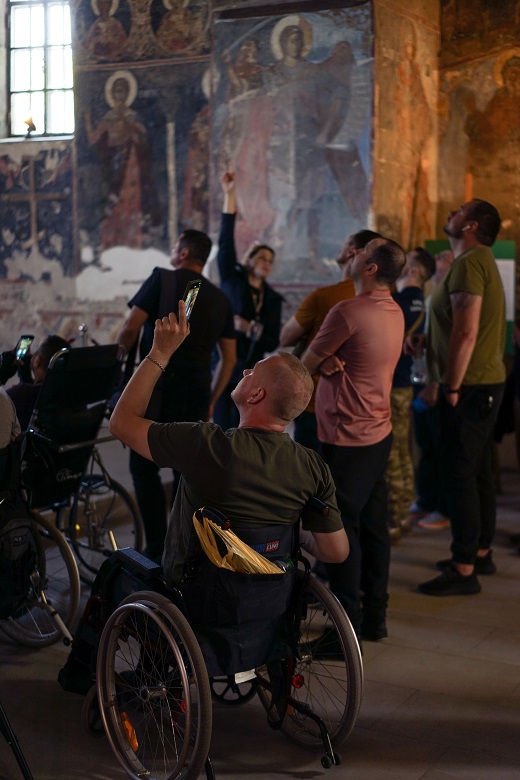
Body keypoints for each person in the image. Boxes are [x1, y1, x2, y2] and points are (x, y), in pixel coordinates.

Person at [110, 304, 349, 585]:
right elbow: (336, 551)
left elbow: (121, 423)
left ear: (256, 395)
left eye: (253, 372)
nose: (245, 370)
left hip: (193, 592)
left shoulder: (205, 444)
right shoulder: (312, 467)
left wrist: (159, 353)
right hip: (268, 596)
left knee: (113, 573)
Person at [302, 238, 406, 642]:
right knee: (374, 525)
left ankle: (346, 629)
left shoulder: (348, 311)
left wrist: (321, 360)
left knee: (339, 527)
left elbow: (304, 365)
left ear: (371, 268)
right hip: (377, 432)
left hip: (347, 436)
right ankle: (375, 617)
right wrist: (329, 358)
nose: (352, 254)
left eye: (361, 252)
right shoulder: (392, 309)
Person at [116, 229, 236, 560]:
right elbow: (229, 359)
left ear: (183, 253)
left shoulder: (162, 278)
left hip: (155, 393)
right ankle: (181, 547)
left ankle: (156, 547)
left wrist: (118, 369)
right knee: (187, 473)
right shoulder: (221, 298)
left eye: (174, 246)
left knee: (143, 469)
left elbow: (130, 328)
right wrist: (212, 399)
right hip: (196, 396)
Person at [415, 199, 506, 596]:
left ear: (470, 225)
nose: (451, 211)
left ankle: (464, 568)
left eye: (460, 209)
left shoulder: (469, 263)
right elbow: (456, 325)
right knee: (478, 471)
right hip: (482, 383)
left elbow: (466, 332)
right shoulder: (475, 260)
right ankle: (480, 552)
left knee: (460, 475)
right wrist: (426, 341)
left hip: (469, 387)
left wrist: (451, 386)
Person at [280, 229, 381, 451]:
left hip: (317, 402)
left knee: (309, 467)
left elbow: (286, 337)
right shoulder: (382, 302)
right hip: (360, 407)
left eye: (345, 243)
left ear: (352, 251)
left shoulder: (325, 296)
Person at [213, 171, 283, 430]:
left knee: (245, 427)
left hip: (252, 372)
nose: (266, 263)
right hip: (223, 364)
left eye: (270, 261)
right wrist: (230, 195)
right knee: (222, 425)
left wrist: (250, 328)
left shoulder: (272, 299)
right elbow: (225, 242)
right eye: (261, 258)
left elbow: (272, 341)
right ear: (250, 260)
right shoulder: (233, 280)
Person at [386, 247, 435, 542]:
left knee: (392, 453)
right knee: (403, 451)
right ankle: (403, 513)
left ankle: (393, 519)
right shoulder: (419, 302)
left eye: (407, 259)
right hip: (404, 383)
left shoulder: (401, 302)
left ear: (413, 270)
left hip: (392, 384)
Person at [407, 249, 454, 530]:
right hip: (422, 377)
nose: (437, 258)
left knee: (441, 446)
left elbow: (448, 346)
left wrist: (436, 384)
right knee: (426, 444)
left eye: (444, 257)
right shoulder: (431, 295)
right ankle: (427, 499)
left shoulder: (452, 297)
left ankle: (444, 507)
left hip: (437, 382)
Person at [7, 335, 69, 431]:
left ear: (37, 361)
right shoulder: (71, 393)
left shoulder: (22, 394)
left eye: (38, 350)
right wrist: (26, 376)